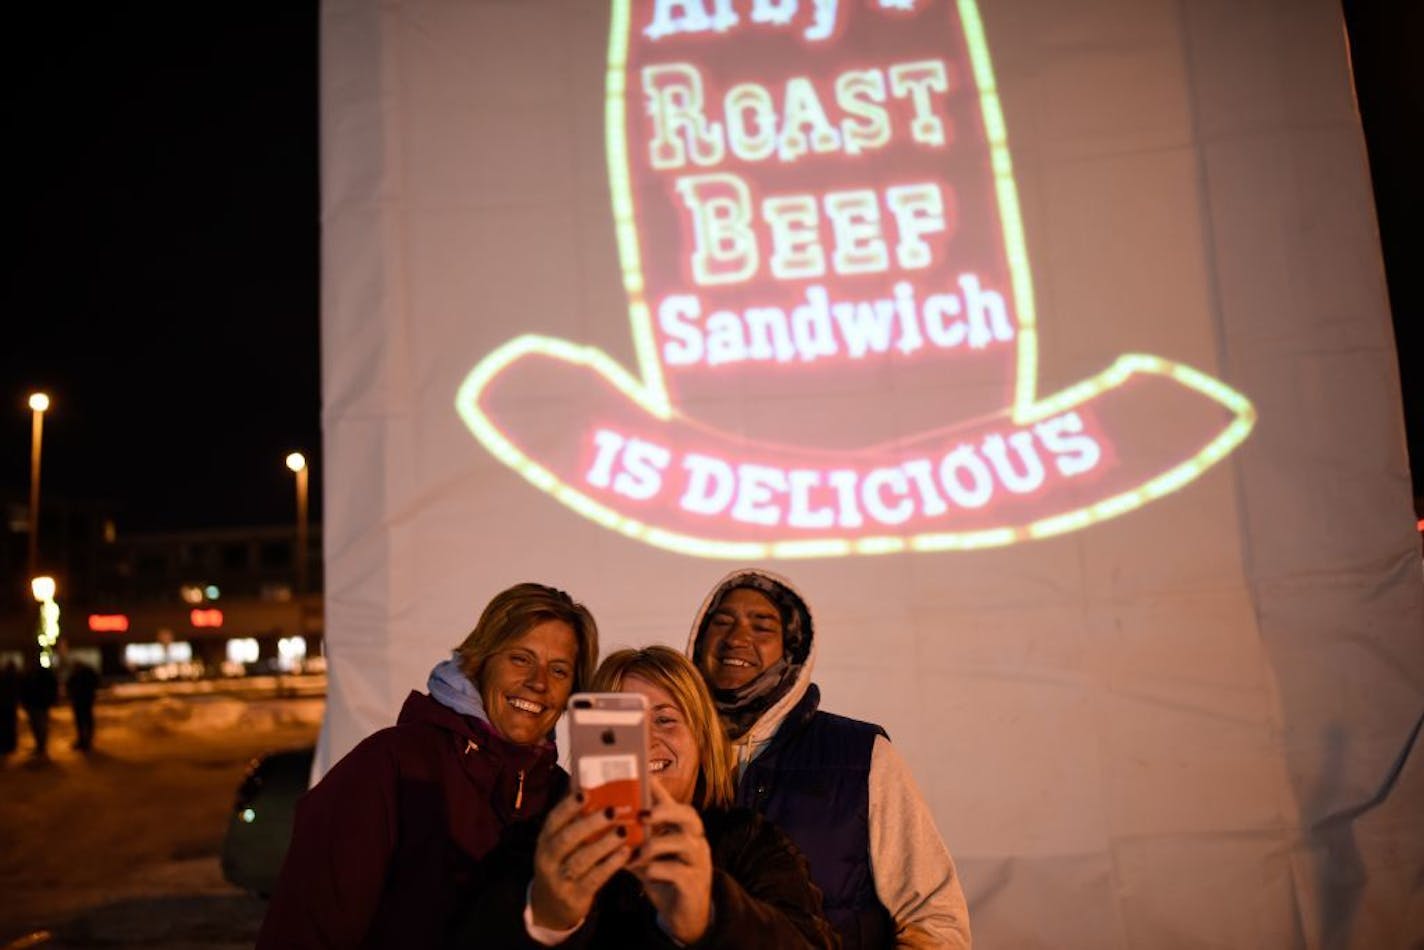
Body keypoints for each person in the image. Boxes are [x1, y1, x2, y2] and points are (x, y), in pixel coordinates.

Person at [257, 582, 600, 948]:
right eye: (520, 659)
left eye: (559, 671)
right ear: (481, 663)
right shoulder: (391, 765)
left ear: (571, 694)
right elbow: (305, 929)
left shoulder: (566, 799)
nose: (538, 683)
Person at [472, 645, 837, 948]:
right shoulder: (539, 842)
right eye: (620, 728)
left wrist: (711, 916)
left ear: (701, 739)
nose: (644, 743)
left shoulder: (753, 844)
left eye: (665, 720)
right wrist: (546, 919)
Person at [687, 569, 971, 949]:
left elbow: (934, 913)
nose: (737, 639)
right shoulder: (664, 756)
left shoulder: (861, 754)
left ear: (793, 648)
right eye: (722, 622)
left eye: (762, 627)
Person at [18, 657, 58, 759]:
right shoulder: (30, 675)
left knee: (40, 725)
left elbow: (51, 687)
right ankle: (39, 745)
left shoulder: (42, 674)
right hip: (33, 704)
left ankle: (41, 745)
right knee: (36, 725)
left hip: (40, 704)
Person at [65, 660, 100, 751]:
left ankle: (86, 740)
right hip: (80, 700)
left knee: (85, 720)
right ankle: (83, 740)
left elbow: (95, 683)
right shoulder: (78, 674)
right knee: (82, 721)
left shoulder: (85, 674)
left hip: (84, 700)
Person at [0, 660, 18, 756]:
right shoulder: (15, 677)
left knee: (6, 725)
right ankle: (10, 744)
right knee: (10, 725)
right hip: (10, 705)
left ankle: (7, 744)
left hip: (5, 705)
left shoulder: (5, 677)